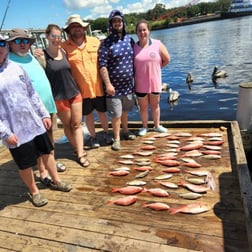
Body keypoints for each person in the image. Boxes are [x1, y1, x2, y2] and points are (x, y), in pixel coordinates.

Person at [0, 35, 72, 207]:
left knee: (47, 153)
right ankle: (34, 192)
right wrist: (5, 134)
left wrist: (44, 114)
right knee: (25, 164)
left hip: (34, 123)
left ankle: (56, 180)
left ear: (6, 47)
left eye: (1, 43)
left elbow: (32, 93)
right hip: (13, 130)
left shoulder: (16, 68)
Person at [7, 28, 66, 186]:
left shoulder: (31, 56)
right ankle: (43, 171)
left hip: (46, 106)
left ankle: (51, 163)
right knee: (38, 142)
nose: (23, 44)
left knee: (49, 138)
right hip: (31, 111)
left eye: (25, 41)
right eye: (18, 41)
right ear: (10, 44)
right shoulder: (9, 61)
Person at [34, 24, 89, 167]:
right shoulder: (42, 56)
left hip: (74, 92)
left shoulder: (64, 51)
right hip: (58, 97)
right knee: (68, 125)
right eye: (53, 36)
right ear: (46, 36)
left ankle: (80, 153)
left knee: (77, 124)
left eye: (58, 36)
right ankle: (78, 148)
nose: (56, 39)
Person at [61, 14, 112, 149]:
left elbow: (105, 61)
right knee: (88, 116)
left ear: (84, 28)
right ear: (69, 30)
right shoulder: (64, 47)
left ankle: (106, 134)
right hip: (80, 90)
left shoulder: (95, 41)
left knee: (102, 113)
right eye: (73, 27)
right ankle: (93, 137)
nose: (76, 29)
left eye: (79, 26)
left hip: (98, 87)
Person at [98, 10, 136, 151]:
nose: (117, 23)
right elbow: (102, 65)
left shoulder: (129, 40)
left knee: (125, 112)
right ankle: (117, 138)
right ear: (111, 24)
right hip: (113, 88)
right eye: (114, 21)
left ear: (123, 22)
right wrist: (107, 84)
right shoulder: (106, 43)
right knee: (116, 115)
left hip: (128, 87)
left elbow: (136, 60)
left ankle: (125, 131)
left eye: (119, 21)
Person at [133, 19, 170, 136]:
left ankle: (157, 125)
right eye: (139, 30)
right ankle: (144, 127)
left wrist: (156, 69)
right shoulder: (133, 48)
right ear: (136, 33)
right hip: (140, 84)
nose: (142, 32)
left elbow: (167, 60)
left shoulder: (157, 44)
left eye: (144, 30)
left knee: (155, 105)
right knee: (143, 108)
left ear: (149, 31)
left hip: (155, 82)